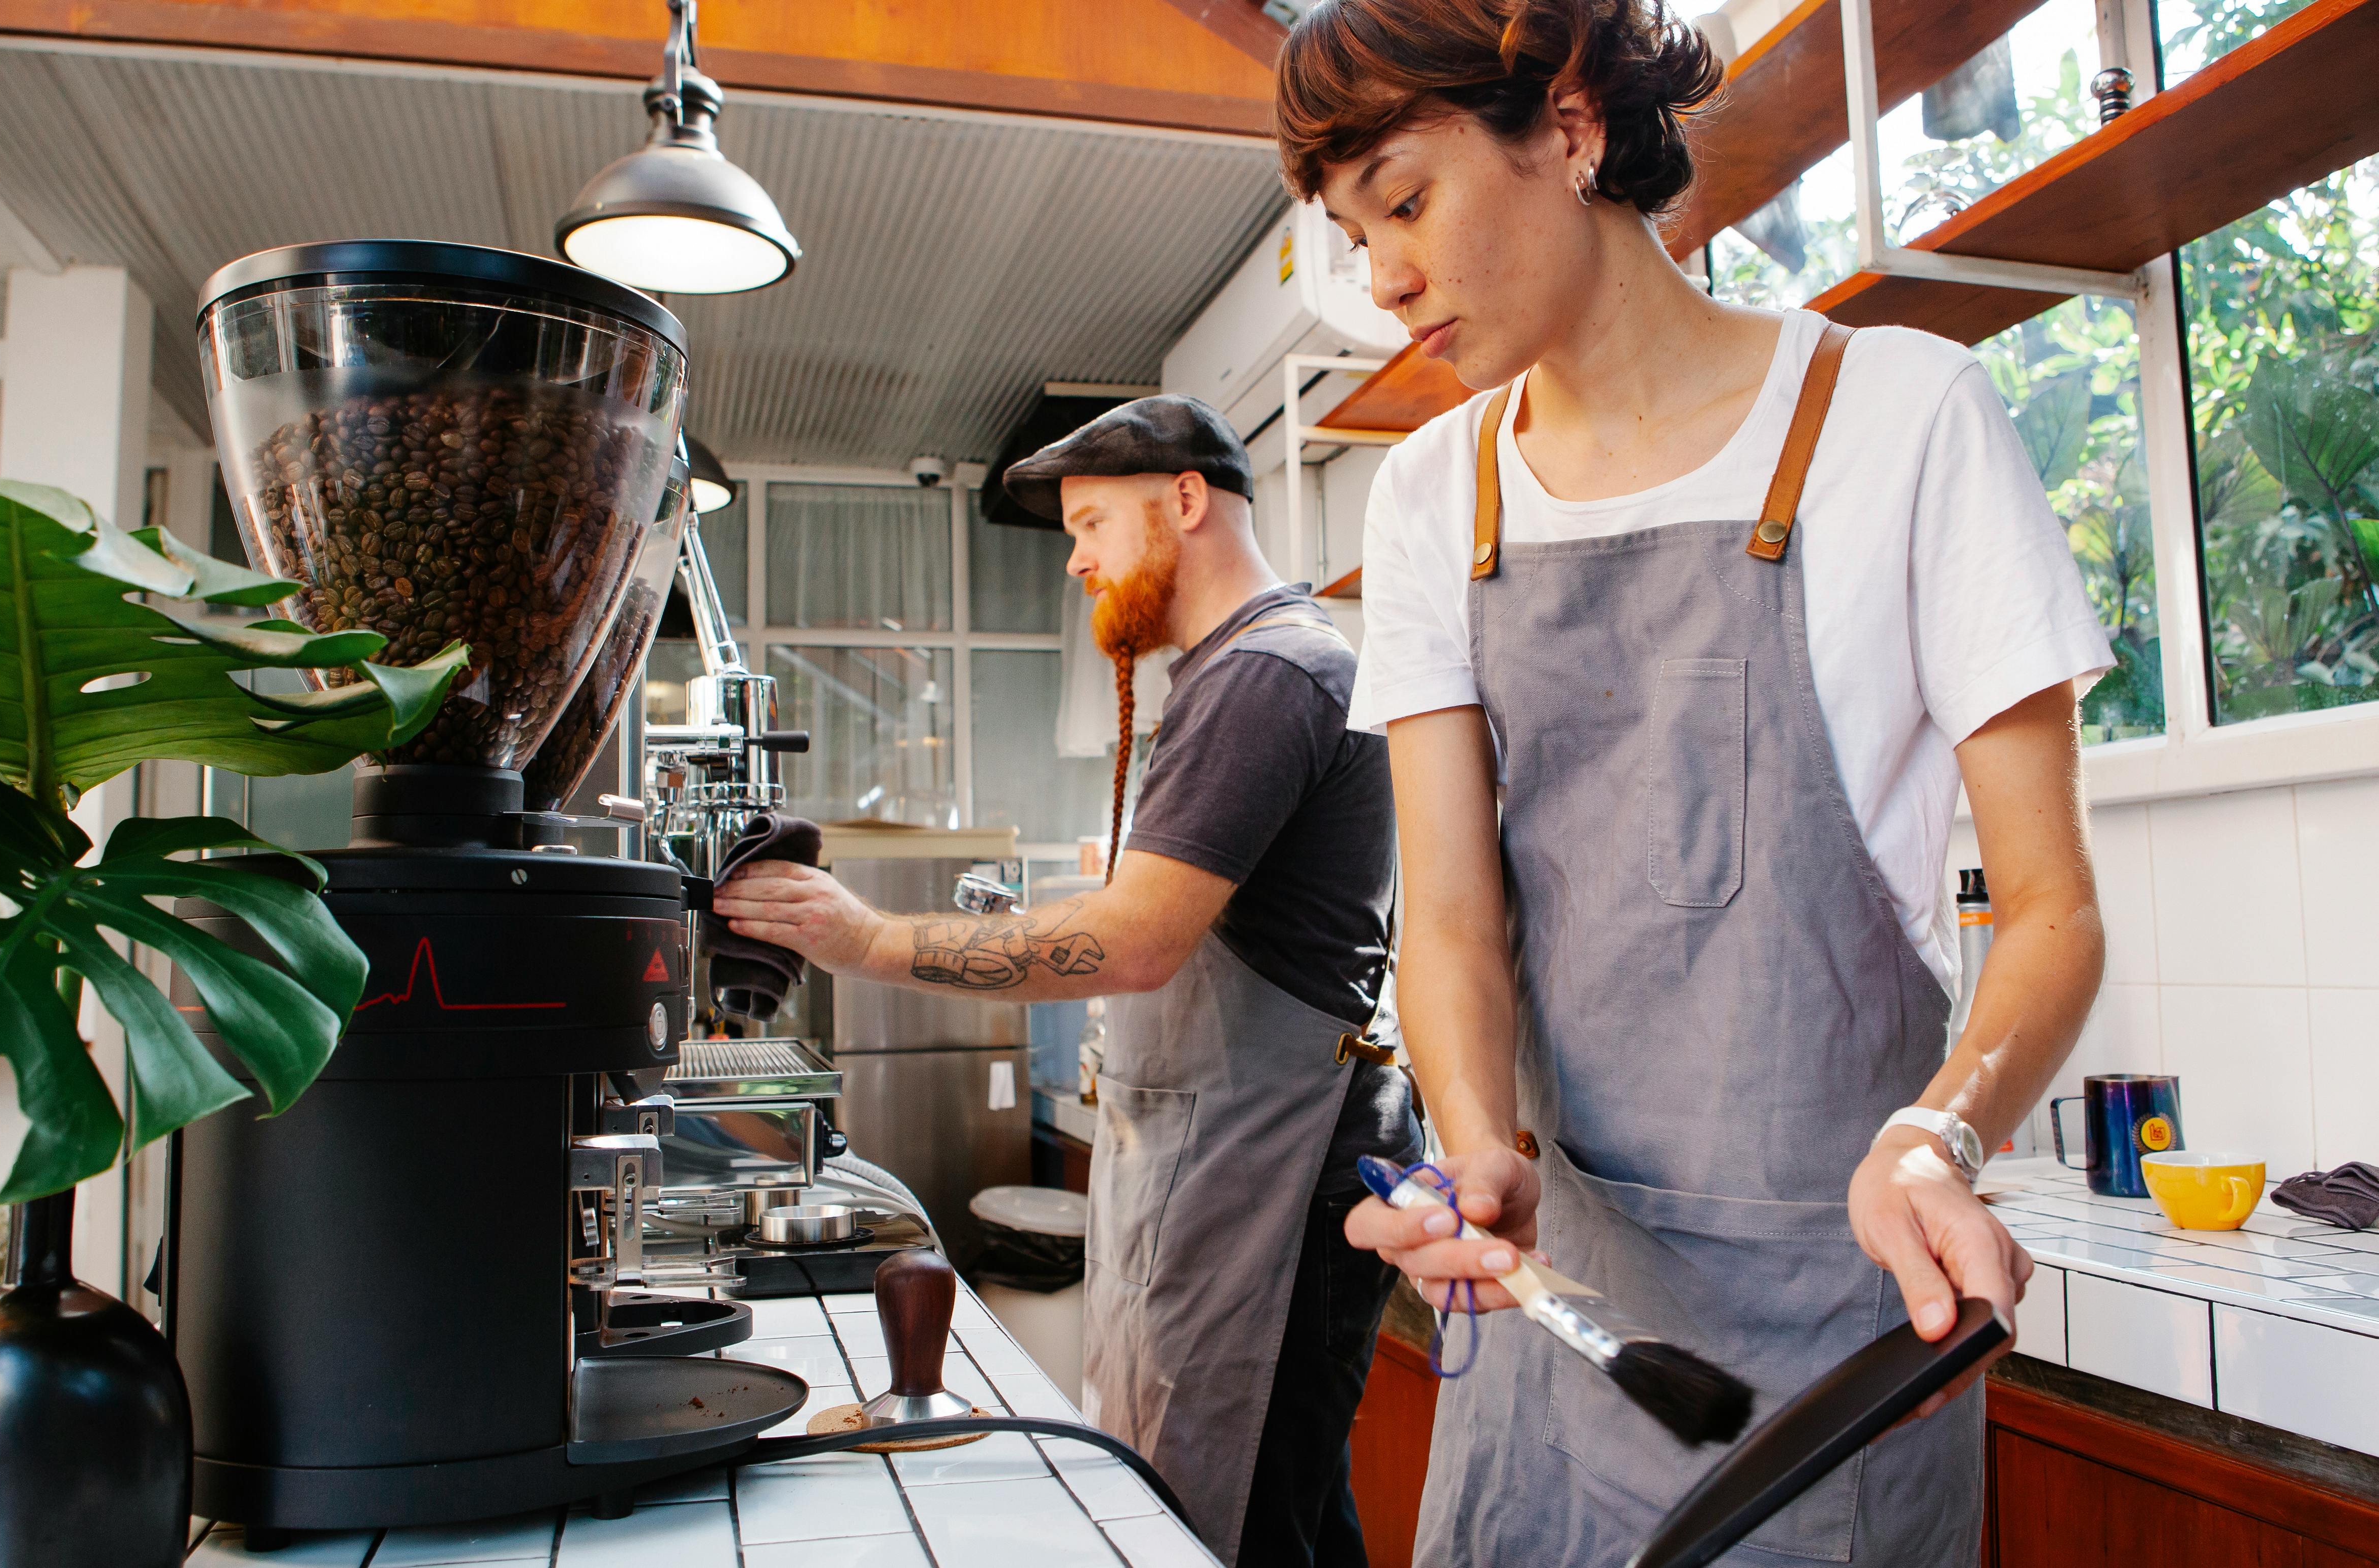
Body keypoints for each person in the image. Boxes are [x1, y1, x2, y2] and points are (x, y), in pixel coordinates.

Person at [1270, 2, 2108, 1563]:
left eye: (1403, 199)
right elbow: (1449, 922)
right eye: (1349, 230)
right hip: (1559, 1318)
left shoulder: (1904, 417)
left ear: (1571, 125)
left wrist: (1943, 1135)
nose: (1380, 279)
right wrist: (1476, 1149)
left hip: (1843, 1332)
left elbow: (2053, 908)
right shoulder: (1429, 493)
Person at [712, 395, 1422, 1568]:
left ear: (1187, 501)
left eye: (1092, 523)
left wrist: (867, 939)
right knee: (1272, 1494)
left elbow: (1133, 942)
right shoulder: (1230, 674)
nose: (1081, 560)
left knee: (1249, 1513)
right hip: (1234, 1153)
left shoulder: (1272, 677)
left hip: (1277, 1164)